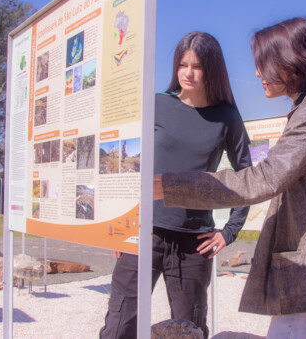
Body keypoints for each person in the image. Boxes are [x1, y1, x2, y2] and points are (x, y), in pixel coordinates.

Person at [154, 17, 306, 338]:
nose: (257, 73)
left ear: (291, 64)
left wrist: (172, 186)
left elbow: (265, 177)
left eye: (264, 64)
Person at [100, 32, 251, 339]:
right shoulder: (157, 105)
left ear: (213, 69)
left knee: (188, 332)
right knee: (118, 328)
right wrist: (119, 226)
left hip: (194, 243)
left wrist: (229, 231)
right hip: (144, 233)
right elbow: (126, 166)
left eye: (197, 66)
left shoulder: (227, 118)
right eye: (183, 64)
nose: (188, 73)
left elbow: (246, 176)